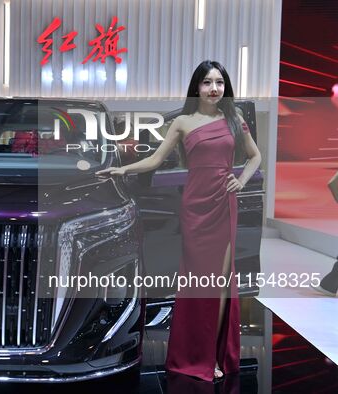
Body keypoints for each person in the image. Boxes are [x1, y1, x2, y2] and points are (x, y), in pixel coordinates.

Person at [97, 60, 262, 381]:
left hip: (224, 204)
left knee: (220, 287)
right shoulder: (183, 122)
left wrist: (241, 181)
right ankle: (194, 356)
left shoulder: (235, 118)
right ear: (196, 87)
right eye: (207, 83)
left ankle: (213, 355)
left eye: (219, 82)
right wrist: (123, 169)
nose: (214, 89)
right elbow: (156, 160)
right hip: (196, 207)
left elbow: (255, 156)